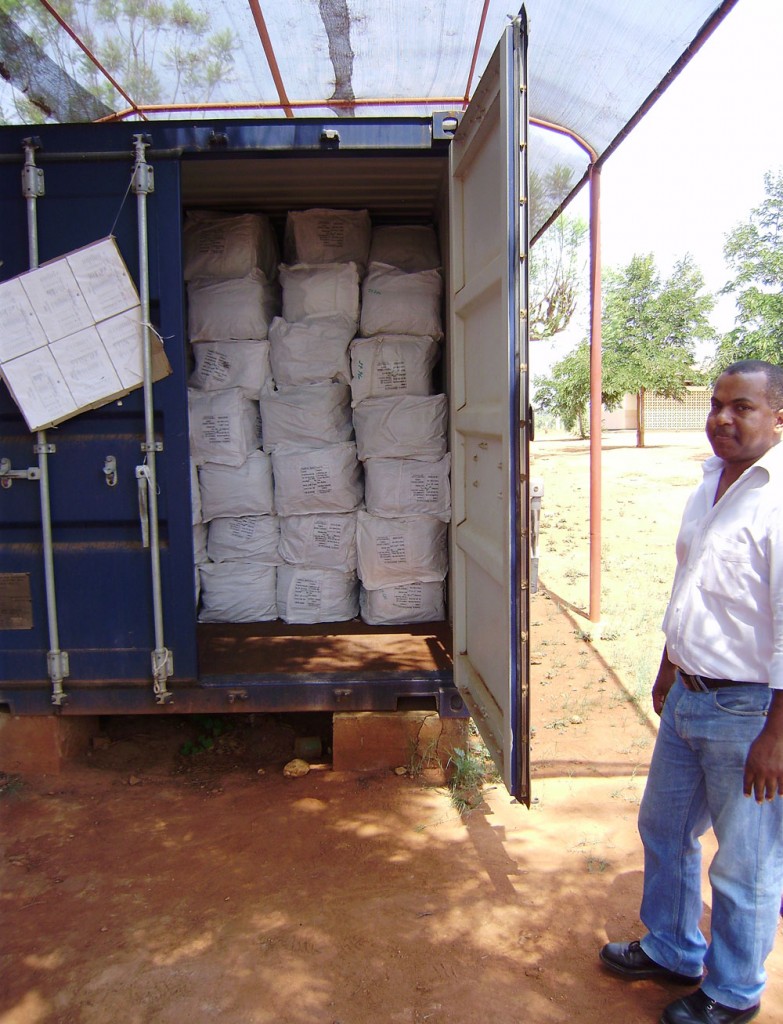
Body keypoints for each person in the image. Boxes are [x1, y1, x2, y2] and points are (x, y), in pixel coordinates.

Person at [599, 360, 783, 1024]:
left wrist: (776, 737)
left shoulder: (776, 501)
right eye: (714, 405)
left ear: (777, 417)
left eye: (741, 407)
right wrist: (666, 663)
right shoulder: (708, 484)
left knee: (744, 862)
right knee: (664, 827)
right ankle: (673, 947)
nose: (722, 419)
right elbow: (691, 588)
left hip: (750, 711)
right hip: (688, 694)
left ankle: (732, 991)